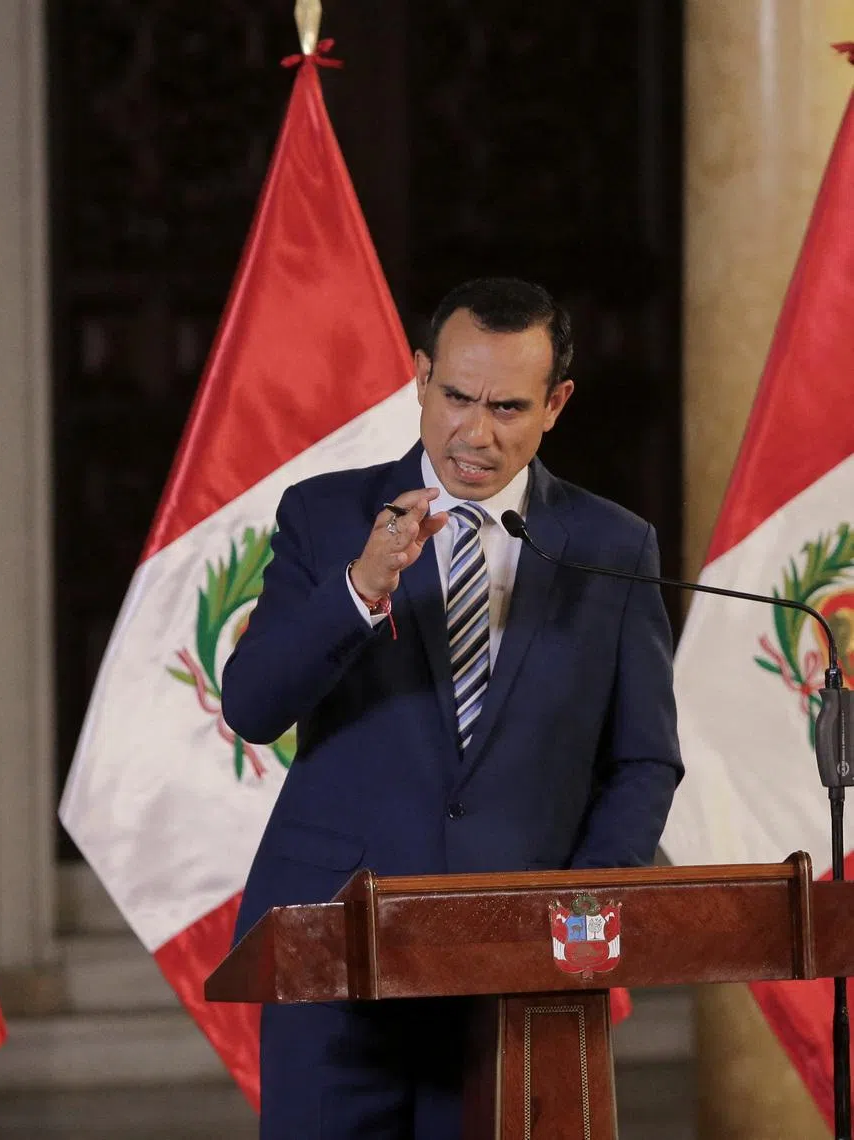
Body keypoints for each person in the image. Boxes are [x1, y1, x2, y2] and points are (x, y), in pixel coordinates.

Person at [221, 277, 682, 1139]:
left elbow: (643, 757)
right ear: (421, 377)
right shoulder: (326, 516)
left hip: (515, 968)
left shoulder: (614, 545)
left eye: (508, 407)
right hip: (339, 954)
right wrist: (361, 587)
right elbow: (251, 705)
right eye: (457, 397)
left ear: (556, 404)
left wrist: (580, 911)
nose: (475, 433)